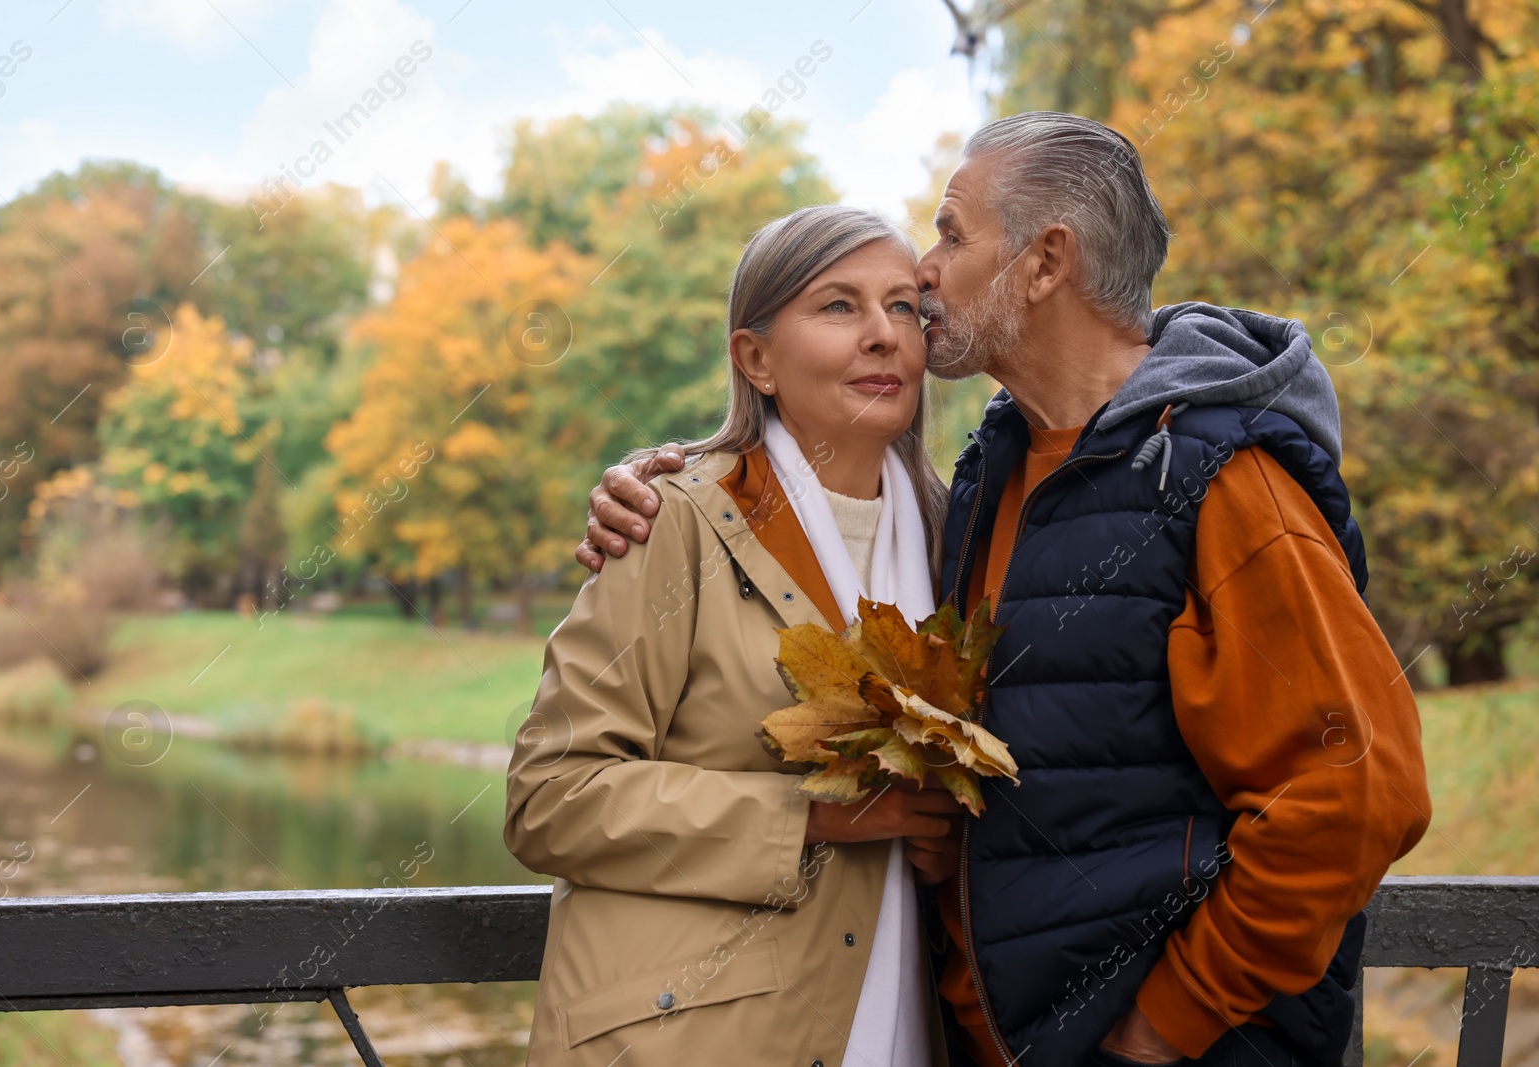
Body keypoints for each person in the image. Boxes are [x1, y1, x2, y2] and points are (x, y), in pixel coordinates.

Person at [576, 112, 1433, 1067]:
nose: (924, 276)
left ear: (1044, 262)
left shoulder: (1222, 480)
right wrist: (674, 474)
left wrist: (1161, 1028)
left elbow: (1357, 795)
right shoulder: (987, 477)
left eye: (949, 234)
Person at [506, 204, 965, 1066]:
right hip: (689, 1036)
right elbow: (551, 797)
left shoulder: (961, 539)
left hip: (905, 1024)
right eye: (838, 306)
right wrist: (814, 816)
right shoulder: (671, 523)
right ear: (754, 358)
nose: (882, 336)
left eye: (904, 307)